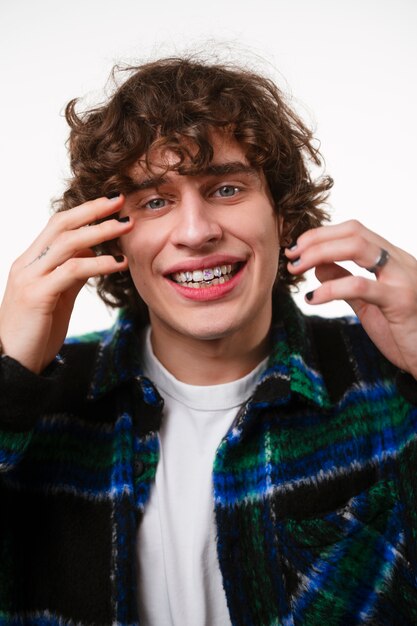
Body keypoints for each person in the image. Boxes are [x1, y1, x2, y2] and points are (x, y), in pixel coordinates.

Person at [0, 56, 416, 626]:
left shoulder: (388, 376)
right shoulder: (36, 402)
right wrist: (9, 379)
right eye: (154, 201)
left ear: (282, 214)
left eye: (225, 188)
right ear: (106, 236)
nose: (196, 232)